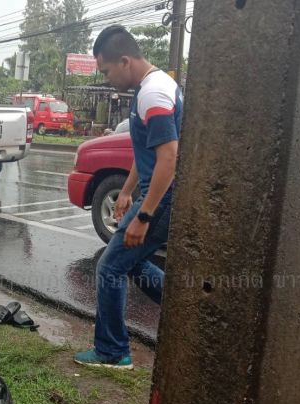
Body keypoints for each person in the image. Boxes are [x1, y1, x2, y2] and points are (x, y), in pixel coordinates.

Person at [74, 26, 183, 369]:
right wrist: (125, 191)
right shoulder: (152, 87)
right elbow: (147, 151)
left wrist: (144, 214)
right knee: (129, 262)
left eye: (106, 71)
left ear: (125, 60)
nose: (106, 79)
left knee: (110, 267)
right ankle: (186, 315)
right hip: (155, 192)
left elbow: (169, 157)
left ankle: (112, 351)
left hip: (161, 198)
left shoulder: (154, 94)